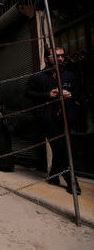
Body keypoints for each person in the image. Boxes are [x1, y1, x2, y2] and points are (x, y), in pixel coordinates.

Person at [27, 46, 81, 195]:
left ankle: (53, 176)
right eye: (56, 56)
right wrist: (47, 94)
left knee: (62, 148)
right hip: (47, 118)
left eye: (62, 56)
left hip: (66, 117)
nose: (60, 59)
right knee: (59, 148)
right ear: (46, 59)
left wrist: (70, 94)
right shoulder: (37, 77)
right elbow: (28, 93)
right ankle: (72, 181)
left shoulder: (69, 75)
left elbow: (78, 92)